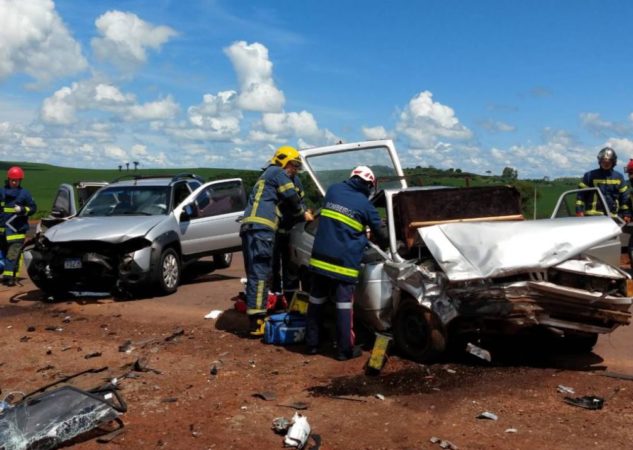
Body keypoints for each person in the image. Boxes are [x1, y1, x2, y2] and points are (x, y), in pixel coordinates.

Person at [305, 166, 388, 361]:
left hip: (319, 260)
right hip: (344, 264)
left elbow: (337, 222)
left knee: (316, 301)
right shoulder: (365, 205)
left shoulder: (333, 190)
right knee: (343, 307)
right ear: (370, 185)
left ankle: (311, 344)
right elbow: (383, 235)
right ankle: (344, 351)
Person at [240, 146, 312, 335]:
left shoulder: (266, 176)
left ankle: (257, 318)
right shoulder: (278, 173)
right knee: (261, 275)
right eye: (294, 165)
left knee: (256, 273)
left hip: (250, 228)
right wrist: (303, 214)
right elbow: (292, 199)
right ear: (284, 162)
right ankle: (257, 323)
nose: (295, 170)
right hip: (263, 230)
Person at [271, 158, 309, 305]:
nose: (295, 170)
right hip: (277, 230)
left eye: (296, 168)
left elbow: (299, 202)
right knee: (274, 266)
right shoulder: (279, 179)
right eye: (293, 167)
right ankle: (275, 296)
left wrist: (302, 213)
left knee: (290, 268)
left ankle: (290, 300)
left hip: (290, 231)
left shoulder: (296, 181)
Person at [0, 166, 37, 286]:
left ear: (20, 180)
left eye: (17, 180)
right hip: (3, 231)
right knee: (5, 255)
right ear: (8, 179)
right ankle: (9, 275)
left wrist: (22, 209)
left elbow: (33, 208)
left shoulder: (25, 194)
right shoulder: (1, 192)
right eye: (12, 180)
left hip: (17, 230)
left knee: (13, 255)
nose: (14, 182)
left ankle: (9, 278)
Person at [576, 147, 630, 220]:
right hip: (592, 217)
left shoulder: (619, 177)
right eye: (603, 161)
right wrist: (579, 211)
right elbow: (580, 195)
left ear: (613, 162)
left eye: (608, 162)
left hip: (612, 217)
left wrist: (626, 214)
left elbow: (624, 197)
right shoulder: (589, 175)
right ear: (600, 161)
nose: (606, 164)